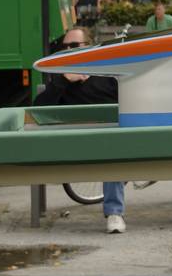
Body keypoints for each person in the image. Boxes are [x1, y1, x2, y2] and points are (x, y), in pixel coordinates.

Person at [35, 28, 126, 234]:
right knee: (111, 150)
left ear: (89, 47)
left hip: (108, 142)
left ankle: (114, 213)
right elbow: (38, 109)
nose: (69, 50)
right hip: (74, 144)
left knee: (111, 150)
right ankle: (114, 212)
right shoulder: (59, 79)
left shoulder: (107, 76)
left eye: (75, 46)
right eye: (65, 47)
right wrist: (64, 80)